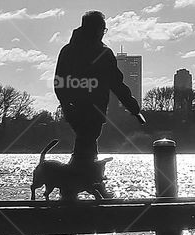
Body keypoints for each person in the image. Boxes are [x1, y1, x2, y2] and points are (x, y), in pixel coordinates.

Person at [54, 11, 144, 196]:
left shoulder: (67, 51)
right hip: (94, 109)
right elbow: (117, 84)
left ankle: (77, 186)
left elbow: (59, 82)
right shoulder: (103, 53)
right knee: (86, 146)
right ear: (96, 29)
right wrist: (134, 108)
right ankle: (82, 185)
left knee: (85, 145)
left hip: (74, 109)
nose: (104, 32)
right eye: (103, 29)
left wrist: (65, 104)